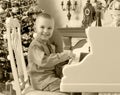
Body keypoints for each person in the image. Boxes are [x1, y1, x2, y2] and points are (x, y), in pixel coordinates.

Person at [27, 13, 75, 92]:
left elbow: (54, 62)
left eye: (49, 28)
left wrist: (67, 59)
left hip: (50, 79)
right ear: (35, 28)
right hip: (42, 81)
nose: (46, 31)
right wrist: (63, 55)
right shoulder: (34, 46)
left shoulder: (48, 44)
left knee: (72, 85)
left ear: (53, 30)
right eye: (42, 27)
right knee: (69, 89)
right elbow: (45, 61)